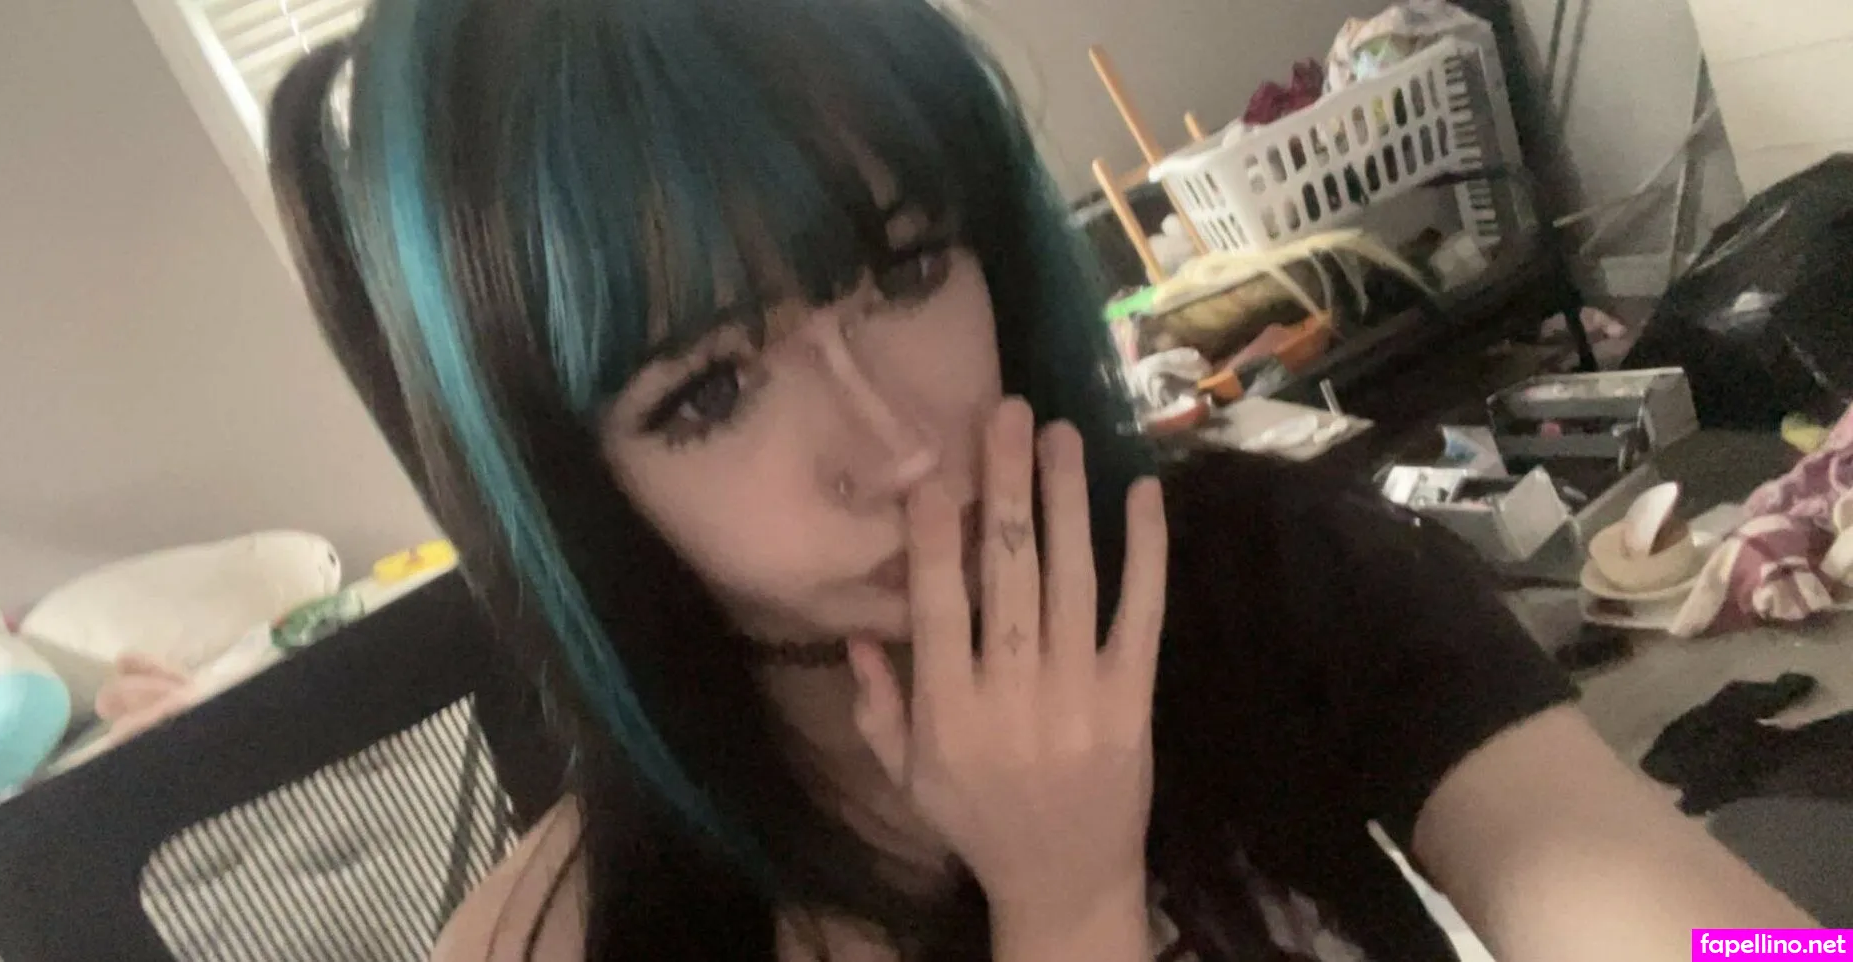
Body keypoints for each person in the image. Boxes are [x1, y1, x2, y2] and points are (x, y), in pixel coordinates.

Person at [265, 0, 1813, 958]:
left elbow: (1660, 903)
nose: (897, 443)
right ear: (571, 481)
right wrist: (1065, 906)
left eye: (901, 267)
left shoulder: (1257, 578)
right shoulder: (580, 935)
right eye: (708, 389)